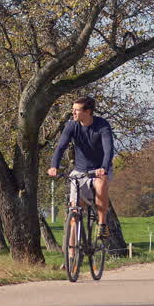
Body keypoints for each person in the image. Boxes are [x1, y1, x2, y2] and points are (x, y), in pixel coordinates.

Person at [47, 96, 114, 233]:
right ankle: (71, 247)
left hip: (99, 170)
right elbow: (60, 147)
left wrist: (104, 168)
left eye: (76, 110)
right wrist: (54, 166)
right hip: (80, 171)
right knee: (75, 211)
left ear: (88, 111)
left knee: (101, 185)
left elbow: (109, 149)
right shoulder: (72, 125)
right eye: (73, 109)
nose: (73, 112)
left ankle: (102, 225)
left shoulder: (102, 125)